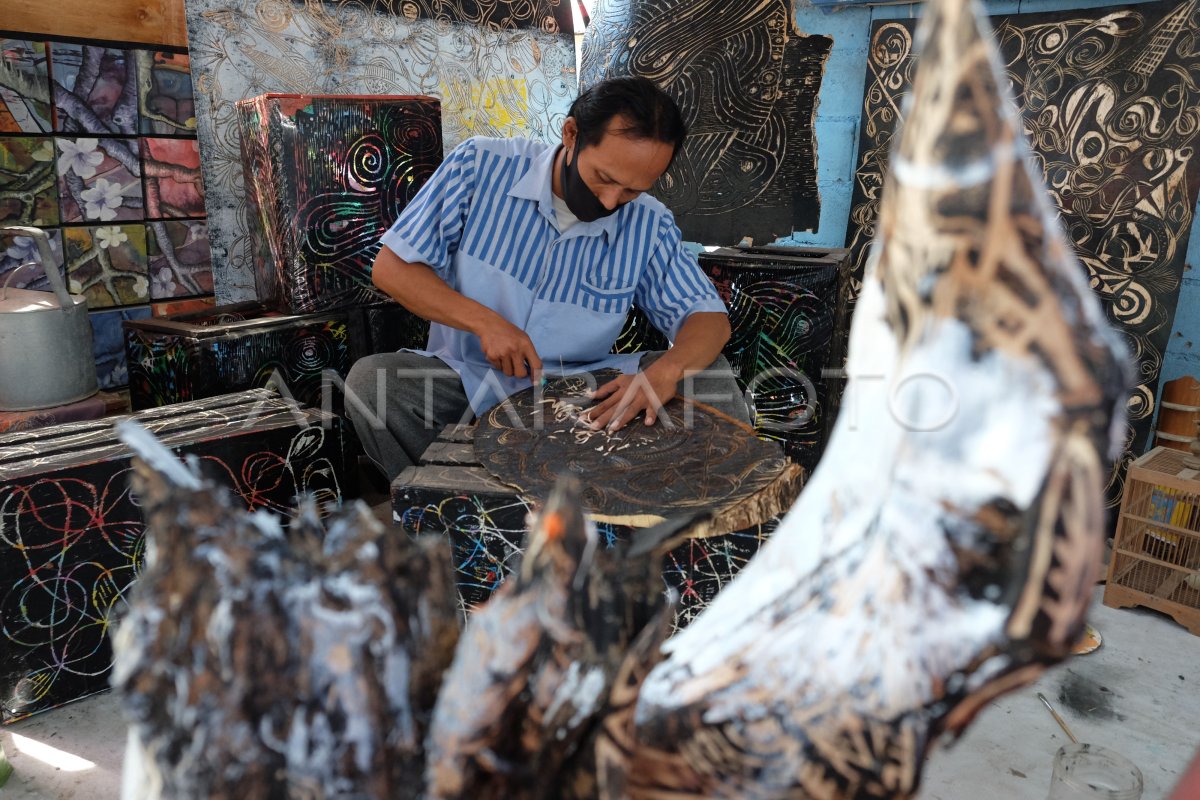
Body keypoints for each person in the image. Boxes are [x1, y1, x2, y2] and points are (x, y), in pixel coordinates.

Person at [346, 76, 752, 480]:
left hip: (586, 394)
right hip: (472, 382)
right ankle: (465, 510)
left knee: (711, 378)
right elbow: (392, 268)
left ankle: (672, 527)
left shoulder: (649, 224)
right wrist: (485, 322)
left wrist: (663, 373)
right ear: (572, 134)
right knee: (374, 385)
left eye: (631, 191)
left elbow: (708, 320)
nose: (611, 202)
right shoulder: (481, 166)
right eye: (605, 179)